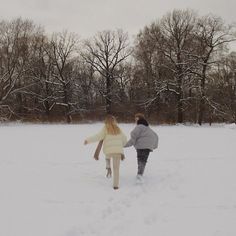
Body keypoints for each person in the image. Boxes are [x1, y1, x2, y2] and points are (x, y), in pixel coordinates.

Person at [84, 115, 127, 190]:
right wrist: (121, 145)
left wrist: (88, 140)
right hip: (118, 151)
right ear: (114, 121)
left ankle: (108, 166)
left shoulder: (105, 128)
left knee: (108, 155)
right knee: (116, 169)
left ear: (106, 121)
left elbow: (97, 136)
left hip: (109, 151)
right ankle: (115, 186)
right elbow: (125, 139)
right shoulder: (118, 128)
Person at [125, 114, 158, 181]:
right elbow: (156, 136)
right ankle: (140, 174)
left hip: (141, 146)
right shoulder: (147, 127)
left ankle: (139, 175)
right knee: (143, 159)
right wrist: (153, 146)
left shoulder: (139, 127)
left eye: (136, 119)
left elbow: (133, 138)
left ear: (138, 119)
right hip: (148, 146)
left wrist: (124, 145)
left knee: (140, 159)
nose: (135, 120)